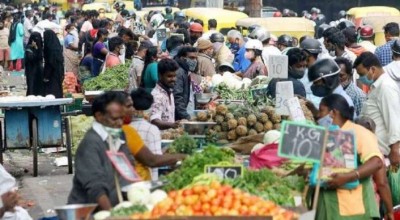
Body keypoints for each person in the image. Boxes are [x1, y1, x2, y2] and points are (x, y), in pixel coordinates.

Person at [316, 94, 383, 220]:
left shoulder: (359, 132)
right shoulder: (323, 134)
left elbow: (376, 162)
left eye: (321, 110)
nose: (318, 115)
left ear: (333, 113)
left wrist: (348, 177)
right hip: (326, 207)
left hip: (353, 210)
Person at [68, 91, 133, 210]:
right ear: (99, 116)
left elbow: (128, 169)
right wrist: (112, 215)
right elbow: (95, 187)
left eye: (122, 118)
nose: (119, 123)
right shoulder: (90, 144)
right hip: (88, 212)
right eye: (115, 119)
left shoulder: (119, 135)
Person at [126, 89, 186, 181]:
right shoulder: (151, 130)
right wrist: (180, 156)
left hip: (128, 177)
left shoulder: (125, 128)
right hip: (146, 180)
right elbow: (154, 160)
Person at [354, 52, 400, 166]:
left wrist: (395, 150)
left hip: (385, 154)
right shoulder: (376, 86)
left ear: (372, 70)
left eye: (362, 74)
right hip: (375, 151)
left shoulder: (386, 87)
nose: (360, 78)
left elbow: (393, 119)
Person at [355, 116, 394, 220]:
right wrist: (390, 211)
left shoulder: (344, 147)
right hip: (368, 205)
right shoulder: (373, 151)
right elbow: (382, 183)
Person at [150, 58, 180, 130]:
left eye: (174, 76)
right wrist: (172, 125)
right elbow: (154, 121)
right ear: (160, 75)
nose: (173, 79)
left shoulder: (169, 91)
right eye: (169, 76)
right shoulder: (157, 96)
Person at [174, 46, 197, 121]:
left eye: (195, 58)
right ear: (182, 58)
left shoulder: (185, 71)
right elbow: (177, 96)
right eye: (191, 58)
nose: (194, 61)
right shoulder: (179, 72)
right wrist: (185, 116)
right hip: (177, 115)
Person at [43, 29, 64, 98]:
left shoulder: (50, 49)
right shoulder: (57, 47)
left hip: (52, 74)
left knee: (52, 92)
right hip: (58, 72)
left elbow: (50, 63)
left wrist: (46, 76)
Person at [25, 32, 44, 96]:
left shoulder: (40, 47)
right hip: (31, 70)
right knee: (32, 86)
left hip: (39, 70)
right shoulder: (29, 48)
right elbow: (31, 58)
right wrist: (35, 49)